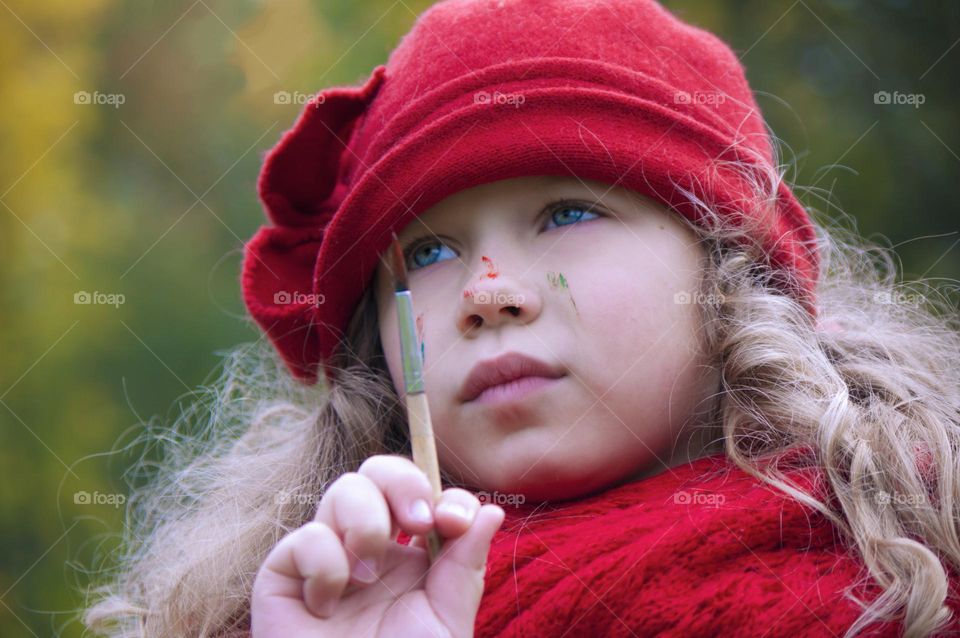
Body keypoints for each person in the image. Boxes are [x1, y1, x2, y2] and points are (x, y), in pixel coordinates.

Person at [83, 0, 960, 636]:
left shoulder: (903, 584)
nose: (487, 291)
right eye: (427, 252)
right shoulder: (309, 606)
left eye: (568, 213)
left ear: (730, 272)